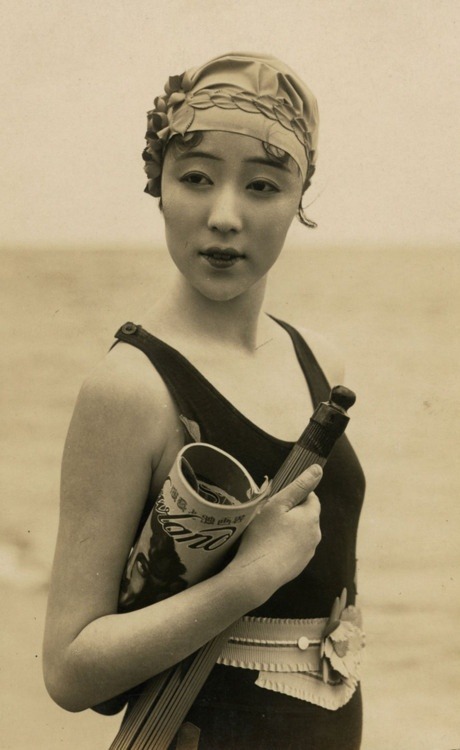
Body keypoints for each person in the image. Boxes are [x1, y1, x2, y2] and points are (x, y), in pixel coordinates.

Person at [43, 52, 366, 749]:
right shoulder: (131, 385)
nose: (224, 216)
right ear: (157, 186)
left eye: (262, 186)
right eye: (195, 179)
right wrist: (246, 582)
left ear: (300, 196)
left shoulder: (318, 362)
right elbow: (70, 670)